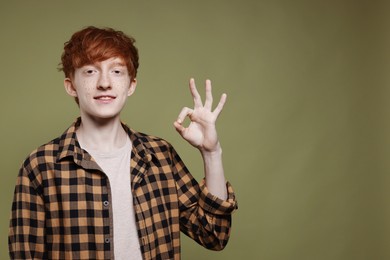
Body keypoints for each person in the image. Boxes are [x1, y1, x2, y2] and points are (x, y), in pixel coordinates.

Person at [8, 26, 237, 260]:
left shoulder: (160, 155)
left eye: (116, 71)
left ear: (131, 85)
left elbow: (214, 235)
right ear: (71, 86)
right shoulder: (41, 166)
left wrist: (211, 153)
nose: (105, 83)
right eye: (90, 71)